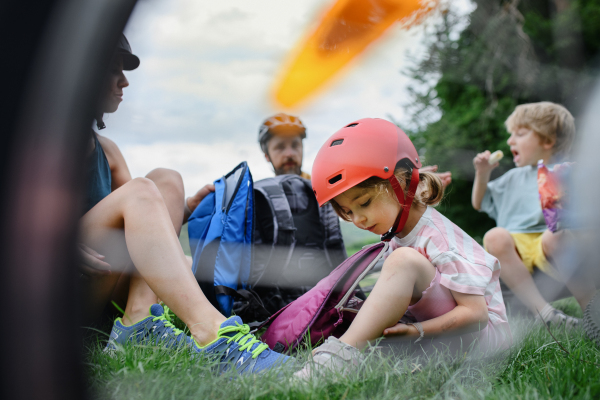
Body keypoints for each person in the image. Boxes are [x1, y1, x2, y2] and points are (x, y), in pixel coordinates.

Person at [79, 34, 291, 374]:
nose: (124, 80)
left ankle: (137, 322)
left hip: (102, 284)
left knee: (166, 180)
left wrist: (183, 210)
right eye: (111, 69)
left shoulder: (108, 152)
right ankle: (211, 332)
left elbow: (137, 231)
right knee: (140, 191)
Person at [295, 118, 511, 377]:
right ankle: (350, 349)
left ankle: (340, 356)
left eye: (364, 203)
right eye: (347, 211)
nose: (357, 219)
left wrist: (417, 332)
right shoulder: (398, 232)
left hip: (486, 343)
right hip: (449, 339)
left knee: (402, 262)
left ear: (400, 181)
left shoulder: (438, 236)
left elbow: (477, 315)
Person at [472, 102, 591, 327]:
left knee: (554, 235)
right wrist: (482, 174)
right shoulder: (512, 178)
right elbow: (479, 203)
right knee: (494, 235)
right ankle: (545, 314)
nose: (510, 141)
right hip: (515, 251)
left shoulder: (566, 172)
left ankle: (592, 310)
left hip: (553, 247)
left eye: (520, 134)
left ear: (547, 141)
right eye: (511, 135)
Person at [258, 113, 453, 186]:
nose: (290, 153)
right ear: (267, 156)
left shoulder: (318, 184)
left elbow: (367, 184)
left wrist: (409, 180)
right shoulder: (258, 195)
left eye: (295, 145)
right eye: (280, 148)